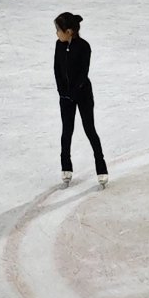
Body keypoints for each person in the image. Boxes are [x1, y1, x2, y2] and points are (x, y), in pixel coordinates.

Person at [54, 10, 107, 186]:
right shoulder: (59, 45)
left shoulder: (84, 46)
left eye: (58, 30)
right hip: (65, 97)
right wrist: (63, 93)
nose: (56, 33)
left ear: (68, 31)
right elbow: (57, 71)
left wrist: (73, 93)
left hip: (83, 94)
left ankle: (101, 166)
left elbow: (83, 73)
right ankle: (66, 167)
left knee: (89, 129)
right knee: (66, 131)